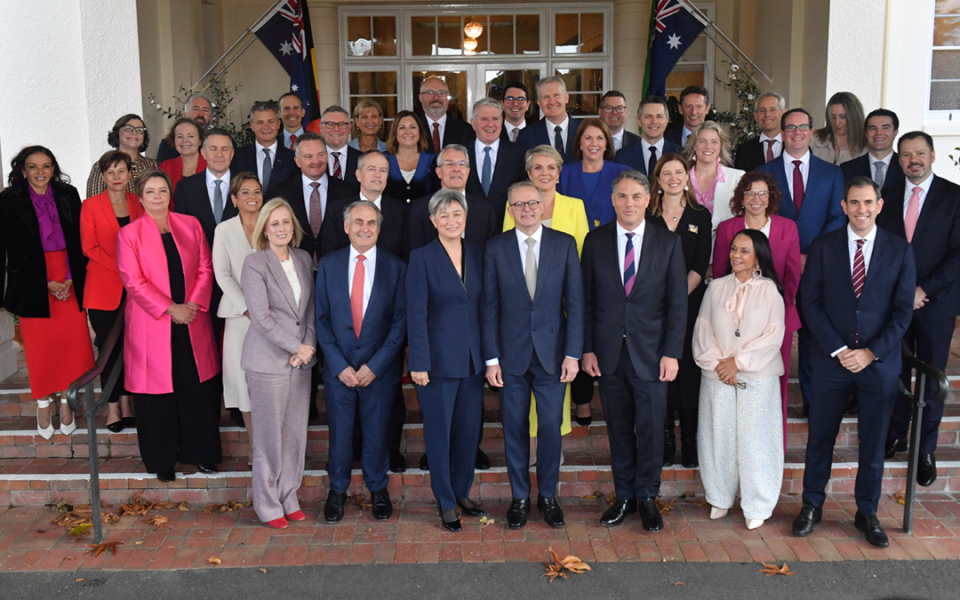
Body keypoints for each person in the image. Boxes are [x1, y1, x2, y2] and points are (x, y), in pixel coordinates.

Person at [793, 177, 915, 548]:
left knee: (873, 442)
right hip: (831, 363)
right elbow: (808, 302)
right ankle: (811, 506)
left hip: (878, 365)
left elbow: (902, 310)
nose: (861, 209)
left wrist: (870, 352)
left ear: (879, 205)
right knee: (820, 439)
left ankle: (868, 511)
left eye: (868, 202)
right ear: (844, 206)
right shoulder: (824, 246)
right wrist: (838, 349)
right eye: (854, 203)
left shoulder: (899, 249)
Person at [581, 170, 687, 531]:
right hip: (609, 355)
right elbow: (586, 302)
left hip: (653, 355)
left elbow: (676, 304)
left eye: (635, 197)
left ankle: (647, 496)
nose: (629, 203)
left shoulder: (668, 242)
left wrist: (672, 352)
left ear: (648, 199)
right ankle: (623, 495)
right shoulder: (594, 242)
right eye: (622, 197)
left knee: (653, 429)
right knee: (619, 429)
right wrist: (588, 349)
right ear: (613, 201)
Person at [482, 182, 584, 529]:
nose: (526, 209)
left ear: (542, 206)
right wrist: (491, 358)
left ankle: (549, 497)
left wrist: (573, 353)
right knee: (513, 428)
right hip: (509, 359)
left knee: (551, 429)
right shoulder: (495, 248)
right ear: (510, 210)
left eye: (532, 203)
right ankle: (520, 497)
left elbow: (576, 303)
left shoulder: (564, 244)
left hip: (553, 357)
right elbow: (489, 307)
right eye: (518, 204)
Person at [116, 169, 222, 483]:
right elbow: (133, 282)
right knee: (156, 396)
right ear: (140, 197)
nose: (158, 197)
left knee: (195, 389)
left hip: (192, 319)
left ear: (170, 193)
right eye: (150, 192)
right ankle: (162, 460)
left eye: (162, 190)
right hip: (153, 324)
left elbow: (206, 266)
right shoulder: (129, 234)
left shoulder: (190, 225)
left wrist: (191, 305)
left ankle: (201, 454)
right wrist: (170, 308)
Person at [315, 200, 407, 523]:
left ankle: (378, 489)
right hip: (339, 370)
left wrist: (375, 366)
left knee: (377, 433)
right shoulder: (328, 264)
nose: (364, 228)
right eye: (358, 222)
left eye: (371, 222)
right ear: (346, 227)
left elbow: (400, 324)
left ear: (379, 229)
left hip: (378, 372)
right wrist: (339, 366)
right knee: (339, 434)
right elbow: (321, 321)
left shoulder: (396, 267)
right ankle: (337, 490)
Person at [880, 132, 960, 487]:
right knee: (895, 371)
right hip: (896, 302)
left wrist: (924, 289)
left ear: (932, 156)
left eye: (920, 153)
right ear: (899, 160)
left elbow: (958, 254)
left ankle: (924, 449)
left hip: (936, 304)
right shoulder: (889, 196)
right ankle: (895, 434)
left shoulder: (954, 196)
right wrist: (901, 291)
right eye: (907, 154)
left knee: (930, 376)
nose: (914, 159)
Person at [694, 229, 786, 530]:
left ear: (758, 255)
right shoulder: (716, 287)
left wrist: (739, 363)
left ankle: (758, 503)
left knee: (756, 440)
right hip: (717, 374)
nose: (736, 255)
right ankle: (720, 496)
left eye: (744, 251)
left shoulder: (770, 290)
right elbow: (703, 329)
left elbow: (773, 336)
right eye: (734, 249)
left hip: (756, 376)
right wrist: (719, 364)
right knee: (717, 436)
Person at [757, 108, 846, 415]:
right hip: (774, 267)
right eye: (790, 127)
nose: (797, 132)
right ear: (781, 133)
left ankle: (811, 400)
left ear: (811, 132)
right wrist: (788, 256)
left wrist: (812, 255)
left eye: (803, 127)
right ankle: (768, 400)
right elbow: (759, 218)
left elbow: (837, 217)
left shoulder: (831, 173)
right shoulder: (763, 172)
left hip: (817, 267)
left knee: (812, 336)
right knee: (769, 333)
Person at [0, 146, 94, 439]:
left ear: (54, 168)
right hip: (31, 281)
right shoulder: (8, 199)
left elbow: (79, 240)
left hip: (68, 276)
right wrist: (45, 283)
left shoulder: (68, 194)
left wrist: (67, 279)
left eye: (46, 166)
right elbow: (9, 250)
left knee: (73, 343)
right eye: (33, 166)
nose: (40, 172)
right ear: (23, 170)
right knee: (40, 346)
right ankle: (43, 400)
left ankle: (67, 400)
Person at [406, 190, 485, 533]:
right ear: (433, 221)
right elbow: (416, 314)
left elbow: (484, 307)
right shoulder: (421, 258)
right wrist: (418, 362)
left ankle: (461, 491)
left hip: (472, 360)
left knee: (468, 433)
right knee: (439, 434)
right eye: (444, 215)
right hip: (436, 363)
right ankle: (445, 501)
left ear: (465, 217)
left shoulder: (479, 253)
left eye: (457, 213)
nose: (451, 220)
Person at [240, 198, 316, 529]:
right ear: (264, 230)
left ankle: (289, 494)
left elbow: (311, 309)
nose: (282, 228)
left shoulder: (302, 258)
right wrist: (297, 346)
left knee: (295, 435)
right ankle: (268, 504)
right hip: (268, 362)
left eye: (286, 222)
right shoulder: (255, 263)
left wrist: (308, 347)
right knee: (270, 438)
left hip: (301, 362)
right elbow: (261, 317)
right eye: (275, 224)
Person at [503, 145, 590, 431]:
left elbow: (581, 254)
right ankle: (529, 441)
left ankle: (553, 438)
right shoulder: (516, 204)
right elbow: (509, 251)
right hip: (524, 308)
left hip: (561, 305)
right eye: (538, 167)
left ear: (559, 173)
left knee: (556, 378)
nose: (545, 172)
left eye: (551, 167)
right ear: (528, 173)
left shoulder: (574, 205)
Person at [713, 172, 802, 443]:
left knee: (776, 381)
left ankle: (774, 443)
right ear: (741, 196)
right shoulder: (728, 228)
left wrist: (775, 314)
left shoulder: (787, 228)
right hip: (733, 320)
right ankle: (737, 442)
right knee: (733, 378)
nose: (756, 199)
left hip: (778, 318)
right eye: (750, 192)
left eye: (762, 193)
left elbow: (792, 275)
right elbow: (720, 273)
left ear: (771, 197)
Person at [647, 154, 713, 468]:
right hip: (651, 307)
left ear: (687, 177)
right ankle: (665, 438)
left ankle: (689, 438)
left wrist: (677, 298)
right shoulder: (646, 214)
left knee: (687, 371)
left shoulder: (701, 215)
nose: (673, 178)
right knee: (659, 371)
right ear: (657, 180)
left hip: (690, 305)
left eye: (678, 172)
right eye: (666, 173)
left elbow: (700, 265)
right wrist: (662, 299)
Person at [80, 151, 144, 433]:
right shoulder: (90, 206)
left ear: (129, 174)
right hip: (103, 287)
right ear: (102, 177)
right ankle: (113, 406)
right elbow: (88, 247)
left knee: (133, 347)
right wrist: (123, 267)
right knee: (108, 348)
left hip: (137, 289)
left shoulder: (138, 202)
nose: (117, 177)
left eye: (121, 171)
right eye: (111, 172)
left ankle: (129, 402)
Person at [212, 173, 263, 468]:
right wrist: (247, 308)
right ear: (234, 199)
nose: (252, 197)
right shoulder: (224, 230)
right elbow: (222, 274)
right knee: (243, 382)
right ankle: (255, 445)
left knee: (271, 381)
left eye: (256, 191)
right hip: (238, 315)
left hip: (274, 315)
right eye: (245, 192)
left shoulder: (273, 223)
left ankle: (273, 443)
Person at [173, 128, 239, 341]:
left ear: (232, 154)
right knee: (205, 337)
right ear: (203, 153)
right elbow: (181, 236)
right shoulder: (185, 188)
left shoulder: (247, 186)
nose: (219, 154)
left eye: (225, 149)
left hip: (239, 275)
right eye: (213, 149)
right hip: (201, 277)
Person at [278, 131, 359, 264]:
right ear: (297, 161)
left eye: (320, 155)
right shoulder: (281, 192)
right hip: (294, 266)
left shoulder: (348, 192)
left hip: (337, 266)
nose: (316, 161)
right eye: (308, 156)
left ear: (327, 156)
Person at [408, 145, 498, 252]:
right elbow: (414, 252)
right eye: (449, 164)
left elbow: (492, 254)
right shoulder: (420, 208)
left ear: (468, 172)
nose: (456, 169)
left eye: (461, 164)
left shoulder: (485, 209)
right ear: (438, 172)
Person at [319, 151, 408, 259]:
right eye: (371, 169)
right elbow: (328, 256)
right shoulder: (337, 210)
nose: (377, 174)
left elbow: (407, 255)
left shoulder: (402, 211)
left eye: (383, 170)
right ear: (358, 175)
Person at [465, 98, 526, 228]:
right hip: (469, 228)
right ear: (473, 123)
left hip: (506, 228)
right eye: (484, 119)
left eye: (495, 119)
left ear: (501, 122)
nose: (490, 124)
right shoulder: (461, 153)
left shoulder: (518, 153)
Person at [558, 118, 629, 229]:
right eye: (588, 138)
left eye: (600, 138)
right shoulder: (563, 174)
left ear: (606, 143)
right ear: (580, 143)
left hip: (611, 242)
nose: (594, 144)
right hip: (573, 243)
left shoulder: (623, 174)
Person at [684, 121, 745, 245]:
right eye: (702, 141)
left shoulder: (738, 178)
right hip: (686, 251)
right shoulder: (681, 178)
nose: (708, 147)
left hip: (725, 250)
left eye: (714, 142)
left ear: (721, 146)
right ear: (694, 145)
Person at [230, 101, 297, 199]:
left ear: (278, 124)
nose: (266, 127)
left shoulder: (292, 158)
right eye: (260, 122)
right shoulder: (238, 156)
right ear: (252, 126)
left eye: (270, 122)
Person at [86, 114, 159, 198]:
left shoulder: (153, 165)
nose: (134, 133)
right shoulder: (102, 165)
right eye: (128, 128)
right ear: (117, 133)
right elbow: (94, 202)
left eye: (140, 130)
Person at [517, 76, 582, 164]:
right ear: (539, 103)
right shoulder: (526, 136)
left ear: (566, 98)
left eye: (556, 95)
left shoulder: (584, 130)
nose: (552, 101)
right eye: (546, 97)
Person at [614, 95, 681, 176]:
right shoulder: (623, 156)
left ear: (666, 121)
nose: (654, 121)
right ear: (639, 121)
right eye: (648, 116)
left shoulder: (680, 154)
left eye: (659, 116)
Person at [840, 109, 905, 192]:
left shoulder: (905, 167)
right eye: (873, 128)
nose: (878, 133)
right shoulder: (847, 169)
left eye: (885, 128)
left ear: (895, 133)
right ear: (866, 134)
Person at [384, 110, 436, 204]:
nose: (408, 132)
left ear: (420, 132)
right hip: (390, 217)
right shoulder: (383, 160)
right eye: (402, 128)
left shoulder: (433, 160)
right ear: (395, 133)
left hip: (424, 217)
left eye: (412, 127)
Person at [418, 76, 473, 153]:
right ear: (421, 98)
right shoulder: (413, 129)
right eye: (430, 92)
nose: (436, 97)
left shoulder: (465, 130)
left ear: (447, 97)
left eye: (441, 92)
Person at [812, 92, 869, 166]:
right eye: (833, 117)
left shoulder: (866, 147)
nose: (837, 123)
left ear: (855, 117)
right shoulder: (815, 140)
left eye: (843, 117)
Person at [734, 92, 785, 172]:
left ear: (783, 113)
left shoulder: (795, 145)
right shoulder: (745, 150)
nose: (767, 114)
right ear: (756, 116)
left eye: (773, 110)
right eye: (762, 111)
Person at [156, 93, 213, 163]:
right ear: (185, 115)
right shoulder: (168, 145)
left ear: (211, 118)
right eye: (196, 109)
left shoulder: (217, 144)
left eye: (205, 110)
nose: (201, 114)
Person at [159, 117, 207, 195]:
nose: (185, 141)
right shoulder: (165, 166)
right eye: (179, 136)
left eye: (191, 136)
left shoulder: (211, 166)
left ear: (200, 141)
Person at [321, 105, 362, 187]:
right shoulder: (313, 160)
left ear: (349, 128)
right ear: (321, 128)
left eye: (341, 124)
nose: (336, 129)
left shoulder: (362, 158)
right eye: (330, 124)